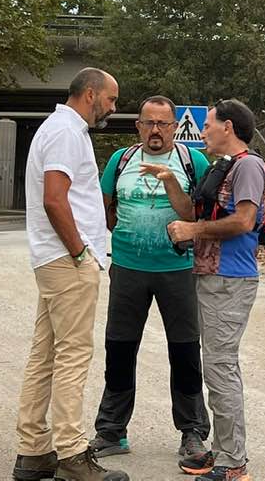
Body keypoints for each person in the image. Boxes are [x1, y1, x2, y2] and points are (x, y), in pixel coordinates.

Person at [13, 68, 130, 481]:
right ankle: (72, 455)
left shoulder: (60, 128)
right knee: (72, 357)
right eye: (111, 100)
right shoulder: (65, 130)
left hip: (53, 260)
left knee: (44, 355)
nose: (113, 108)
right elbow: (54, 199)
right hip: (67, 261)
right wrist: (82, 252)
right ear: (91, 94)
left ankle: (32, 451)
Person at [88, 96, 211, 460]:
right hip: (128, 268)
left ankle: (192, 433)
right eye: (148, 123)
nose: (156, 130)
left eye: (163, 123)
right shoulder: (120, 159)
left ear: (175, 127)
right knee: (120, 349)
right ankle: (111, 432)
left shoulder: (194, 161)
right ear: (138, 126)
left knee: (185, 350)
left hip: (177, 270)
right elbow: (103, 209)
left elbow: (198, 216)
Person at [167, 100, 265, 481]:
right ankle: (226, 451)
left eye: (208, 124)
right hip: (215, 278)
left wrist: (193, 232)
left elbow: (244, 221)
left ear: (228, 127)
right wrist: (170, 182)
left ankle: (233, 464)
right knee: (218, 367)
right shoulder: (224, 167)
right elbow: (197, 214)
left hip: (230, 280)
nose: (203, 130)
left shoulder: (248, 166)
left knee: (221, 369)